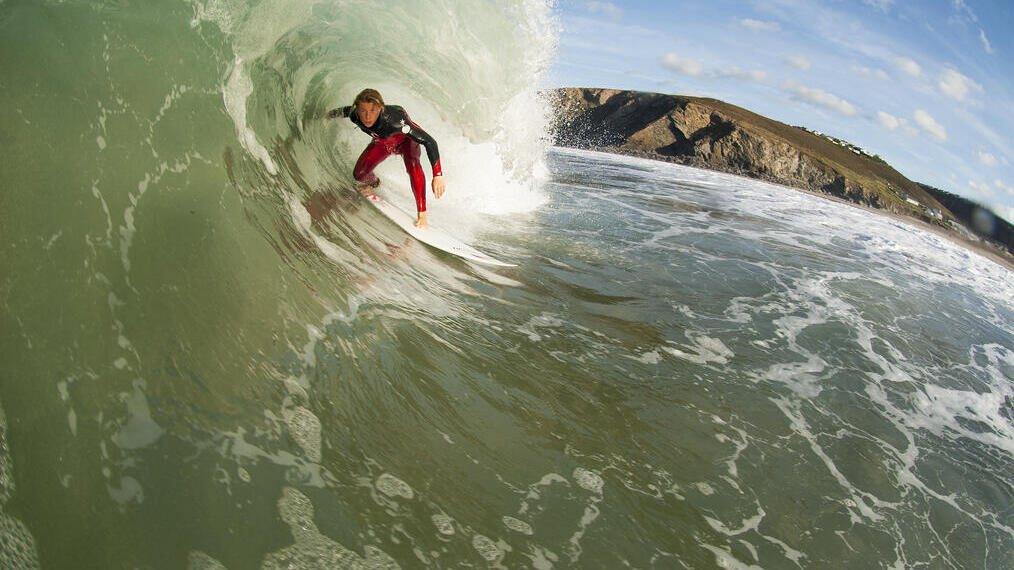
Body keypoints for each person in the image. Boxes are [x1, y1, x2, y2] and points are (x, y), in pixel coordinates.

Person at [327, 89, 445, 228]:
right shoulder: (355, 115)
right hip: (384, 143)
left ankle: (422, 215)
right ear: (357, 109)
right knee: (359, 174)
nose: (368, 116)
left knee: (413, 166)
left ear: (380, 108)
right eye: (363, 110)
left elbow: (429, 141)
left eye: (372, 110)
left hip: (406, 142)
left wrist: (437, 175)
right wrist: (328, 115)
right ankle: (374, 183)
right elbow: (344, 111)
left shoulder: (395, 120)